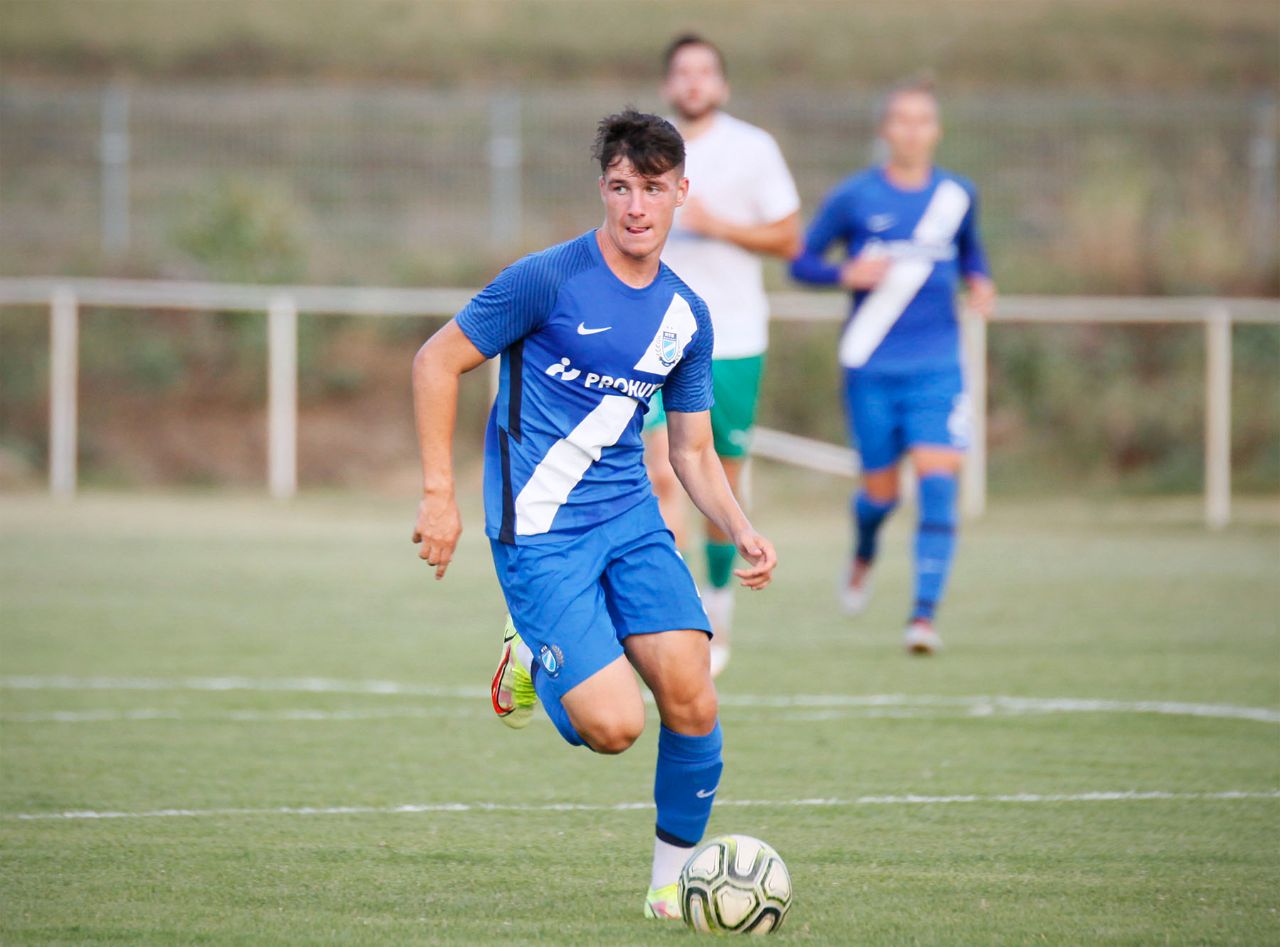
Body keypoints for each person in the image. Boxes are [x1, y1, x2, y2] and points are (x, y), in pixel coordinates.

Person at [410, 109, 778, 921]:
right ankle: (530, 653)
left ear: (682, 192)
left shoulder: (688, 316)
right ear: (602, 190)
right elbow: (435, 361)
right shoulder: (547, 279)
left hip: (632, 520)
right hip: (540, 528)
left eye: (652, 187)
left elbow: (692, 451)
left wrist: (740, 526)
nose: (636, 205)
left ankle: (668, 889)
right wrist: (439, 495)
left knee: (693, 697)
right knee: (614, 727)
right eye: (620, 187)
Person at [790, 78, 996, 655]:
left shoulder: (957, 195)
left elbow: (971, 251)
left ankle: (922, 618)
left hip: (938, 366)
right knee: (880, 495)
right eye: (901, 120)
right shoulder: (855, 196)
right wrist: (843, 273)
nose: (911, 131)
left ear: (937, 130)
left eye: (922, 120)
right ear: (885, 130)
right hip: (870, 366)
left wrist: (980, 281)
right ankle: (863, 553)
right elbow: (801, 262)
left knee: (938, 479)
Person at [647, 34, 802, 678]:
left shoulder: (752, 148)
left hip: (733, 338)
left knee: (720, 482)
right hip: (655, 337)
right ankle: (671, 618)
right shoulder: (649, 148)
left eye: (705, 71)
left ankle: (718, 605)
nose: (693, 82)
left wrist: (717, 226)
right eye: (683, 72)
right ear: (668, 85)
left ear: (722, 85)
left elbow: (789, 237)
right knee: (661, 474)